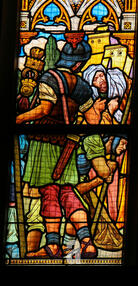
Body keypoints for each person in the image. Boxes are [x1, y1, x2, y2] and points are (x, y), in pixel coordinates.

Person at [16, 39, 104, 258]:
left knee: (49, 193)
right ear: (78, 65)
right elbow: (93, 118)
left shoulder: (49, 77)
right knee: (68, 193)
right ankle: (86, 240)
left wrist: (18, 119)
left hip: (44, 143)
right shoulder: (82, 85)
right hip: (68, 146)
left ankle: (53, 244)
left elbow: (44, 109)